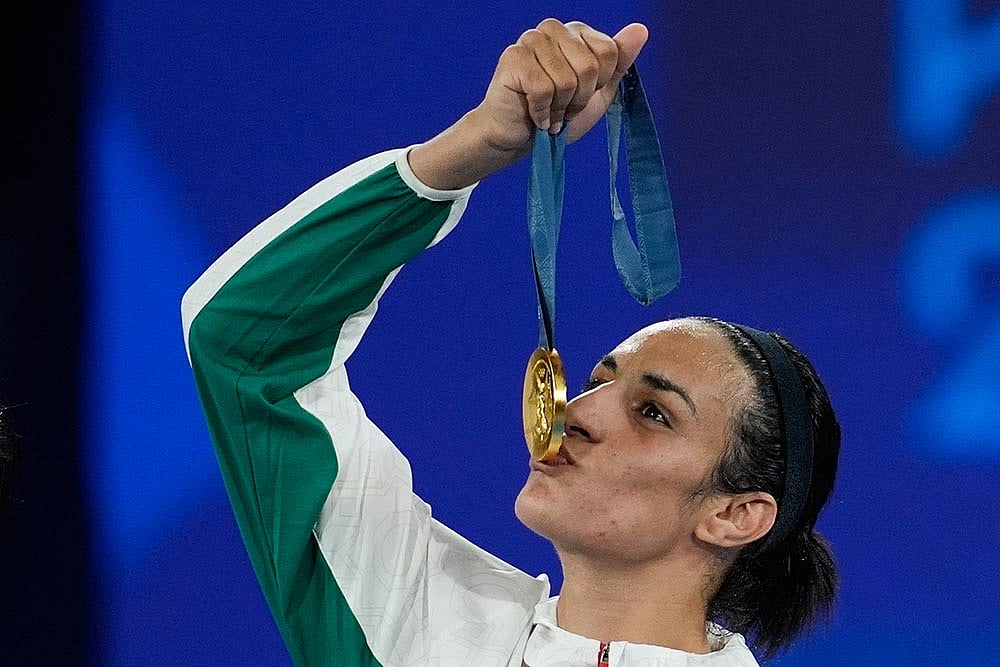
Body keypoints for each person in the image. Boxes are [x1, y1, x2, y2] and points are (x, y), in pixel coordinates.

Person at [183, 19, 840, 666]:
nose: (575, 413)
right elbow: (244, 344)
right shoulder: (415, 623)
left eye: (653, 413)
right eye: (596, 381)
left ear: (736, 515)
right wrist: (471, 148)